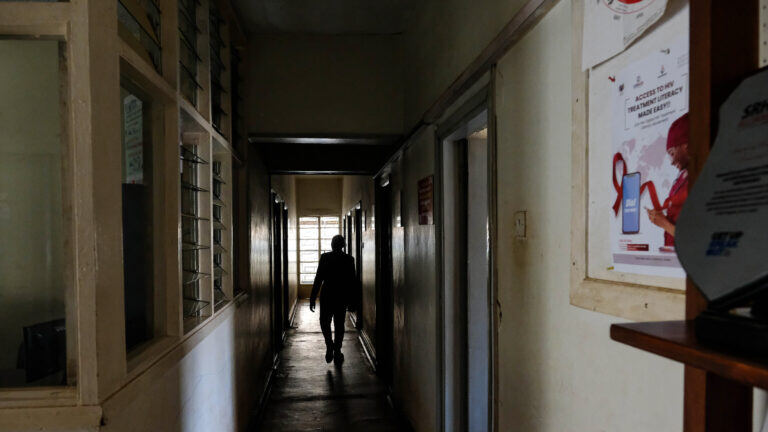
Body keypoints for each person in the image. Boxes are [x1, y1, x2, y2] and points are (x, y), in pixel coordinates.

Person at [309, 235, 357, 365]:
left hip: (327, 295)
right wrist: (353, 301)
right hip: (341, 296)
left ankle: (329, 345)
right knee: (339, 324)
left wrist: (312, 297)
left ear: (332, 244)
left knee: (324, 322)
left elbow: (318, 278)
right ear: (343, 245)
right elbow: (352, 282)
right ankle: (337, 350)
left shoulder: (325, 258)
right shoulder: (349, 259)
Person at [647, 113, 689, 248]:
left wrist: (663, 223)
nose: (671, 162)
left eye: (672, 153)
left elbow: (696, 239)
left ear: (686, 146)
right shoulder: (682, 177)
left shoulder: (701, 180)